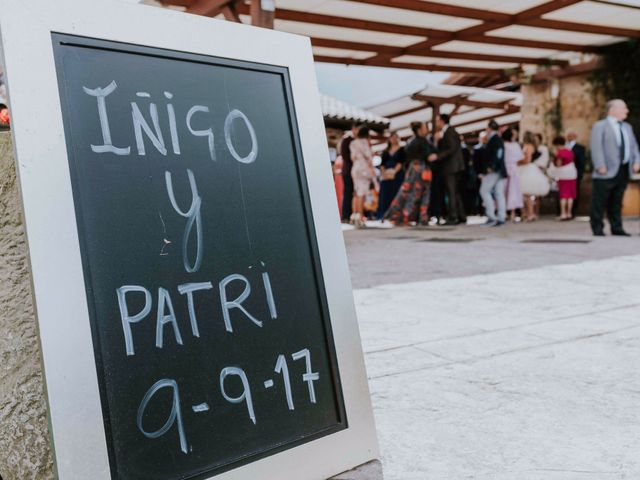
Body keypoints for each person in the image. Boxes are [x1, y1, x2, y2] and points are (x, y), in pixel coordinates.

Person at [589, 99, 640, 236]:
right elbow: (596, 147)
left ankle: (617, 227)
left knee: (617, 201)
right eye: (624, 108)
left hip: (623, 169)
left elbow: (634, 146)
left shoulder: (627, 127)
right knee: (599, 201)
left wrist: (636, 161)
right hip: (605, 170)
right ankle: (597, 227)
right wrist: (600, 165)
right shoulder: (600, 126)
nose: (627, 111)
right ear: (613, 110)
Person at [385, 121, 435, 225]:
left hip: (411, 170)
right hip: (422, 169)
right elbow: (429, 155)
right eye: (425, 128)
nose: (426, 130)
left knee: (408, 193)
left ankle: (402, 216)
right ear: (419, 130)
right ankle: (420, 218)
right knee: (422, 194)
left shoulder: (409, 141)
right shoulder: (423, 141)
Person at [429, 114, 466, 225]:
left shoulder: (449, 132)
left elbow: (451, 148)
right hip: (454, 167)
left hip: (451, 167)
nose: (436, 123)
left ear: (442, 121)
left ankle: (453, 217)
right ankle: (461, 216)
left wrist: (437, 156)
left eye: (437, 121)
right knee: (454, 192)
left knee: (451, 192)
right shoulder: (447, 132)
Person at [479, 120, 507, 226]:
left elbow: (498, 153)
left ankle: (491, 216)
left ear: (489, 128)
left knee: (484, 191)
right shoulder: (496, 139)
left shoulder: (495, 139)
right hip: (499, 170)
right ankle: (501, 217)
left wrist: (492, 166)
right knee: (499, 193)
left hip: (494, 170)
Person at [350, 126, 378, 227]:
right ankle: (361, 216)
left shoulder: (353, 143)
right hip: (364, 170)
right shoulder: (365, 142)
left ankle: (354, 215)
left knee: (356, 192)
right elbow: (369, 157)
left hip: (355, 168)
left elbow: (352, 157)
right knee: (362, 193)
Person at [519, 131, 550, 221]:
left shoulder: (528, 146)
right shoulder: (533, 146)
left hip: (526, 169)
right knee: (526, 195)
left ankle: (529, 214)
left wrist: (517, 162)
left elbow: (527, 160)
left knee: (527, 194)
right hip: (527, 169)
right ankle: (527, 213)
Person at [377, 132, 405, 220]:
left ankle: (395, 214)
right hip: (386, 174)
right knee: (385, 194)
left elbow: (401, 162)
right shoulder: (385, 151)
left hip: (397, 174)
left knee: (396, 193)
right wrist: (385, 173)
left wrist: (393, 172)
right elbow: (382, 164)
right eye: (392, 137)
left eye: (396, 137)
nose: (394, 139)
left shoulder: (401, 150)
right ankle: (384, 214)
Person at [550, 136, 577, 221]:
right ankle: (569, 213)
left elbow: (558, 164)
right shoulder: (570, 151)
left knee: (563, 195)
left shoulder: (560, 153)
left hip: (563, 175)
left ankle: (563, 214)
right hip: (572, 175)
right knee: (570, 196)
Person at [502, 128, 524, 221]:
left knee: (510, 190)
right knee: (510, 190)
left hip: (509, 169)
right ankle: (510, 213)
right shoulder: (513, 145)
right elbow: (520, 157)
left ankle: (510, 212)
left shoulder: (506, 145)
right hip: (511, 169)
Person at [339, 124, 359, 222]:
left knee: (357, 193)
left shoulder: (359, 140)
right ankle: (346, 215)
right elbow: (344, 155)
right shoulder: (347, 139)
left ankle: (355, 214)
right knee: (348, 192)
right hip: (348, 170)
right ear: (353, 129)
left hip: (358, 170)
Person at [565, 131, 586, 217]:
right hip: (564, 174)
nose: (570, 137)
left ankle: (572, 212)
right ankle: (563, 211)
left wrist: (580, 174)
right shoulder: (564, 147)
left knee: (574, 192)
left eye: (572, 135)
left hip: (575, 174)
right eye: (569, 135)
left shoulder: (580, 148)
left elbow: (582, 162)